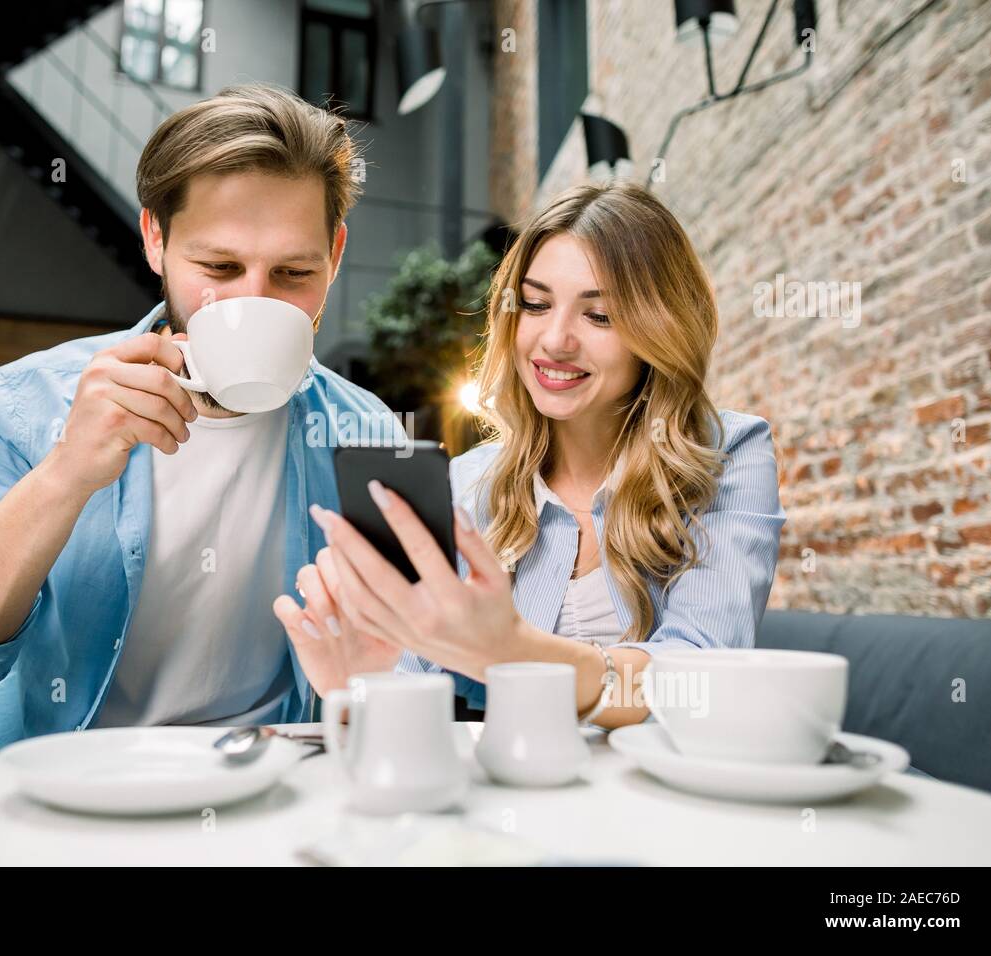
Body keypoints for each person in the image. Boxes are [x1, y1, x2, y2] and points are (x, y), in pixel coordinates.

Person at [0, 83, 398, 775]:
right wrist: (65, 474)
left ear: (336, 251)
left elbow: (415, 666)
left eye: (294, 272)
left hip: (261, 798)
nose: (253, 300)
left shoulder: (368, 434)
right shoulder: (27, 404)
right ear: (155, 239)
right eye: (219, 268)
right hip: (42, 796)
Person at [274, 181, 787, 730]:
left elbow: (702, 672)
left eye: (600, 316)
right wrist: (360, 687)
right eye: (536, 305)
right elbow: (417, 703)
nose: (554, 340)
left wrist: (512, 652)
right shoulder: (469, 481)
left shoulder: (729, 454)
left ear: (659, 328)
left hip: (662, 803)